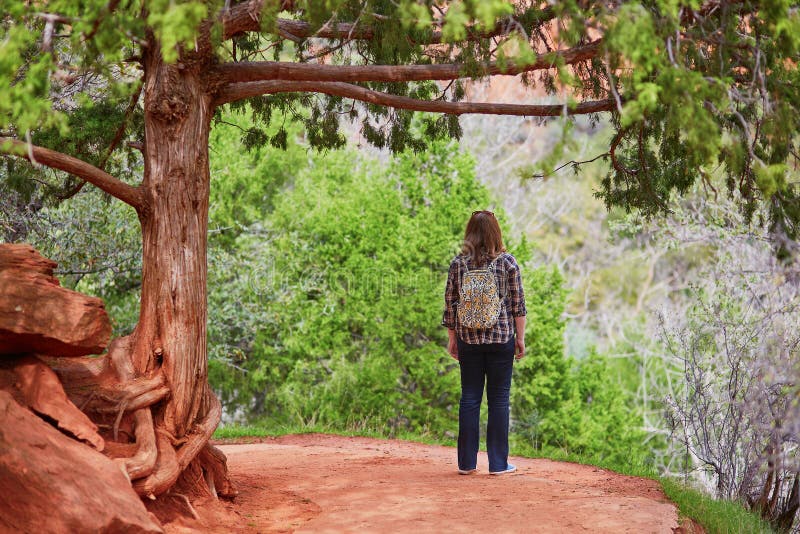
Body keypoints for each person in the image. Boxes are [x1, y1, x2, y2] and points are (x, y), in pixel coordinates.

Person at [442, 210, 526, 475]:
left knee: (469, 398)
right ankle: (498, 464)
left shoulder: (458, 264)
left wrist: (452, 339)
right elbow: (518, 305)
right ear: (495, 232)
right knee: (499, 400)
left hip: (468, 338)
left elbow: (450, 304)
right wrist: (520, 339)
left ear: (470, 233)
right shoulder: (508, 263)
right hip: (501, 339)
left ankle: (467, 464)